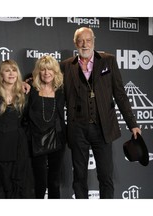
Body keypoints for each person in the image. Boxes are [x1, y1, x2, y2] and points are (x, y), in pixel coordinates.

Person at [60, 27, 141, 199]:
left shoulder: (108, 61)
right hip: (77, 129)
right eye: (81, 40)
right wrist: (28, 82)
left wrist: (132, 124)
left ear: (94, 41)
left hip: (103, 127)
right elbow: (48, 82)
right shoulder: (66, 65)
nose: (85, 44)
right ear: (75, 43)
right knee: (79, 177)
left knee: (105, 176)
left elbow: (120, 94)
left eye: (88, 40)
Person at [0, 60, 34, 198]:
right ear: (0, 74)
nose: (11, 73)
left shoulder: (24, 93)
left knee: (15, 182)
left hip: (17, 145)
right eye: (7, 70)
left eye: (14, 70)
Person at [26, 55, 67, 199]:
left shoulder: (62, 90)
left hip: (57, 137)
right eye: (43, 69)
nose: (46, 73)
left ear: (55, 71)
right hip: (36, 139)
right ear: (38, 72)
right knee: (40, 182)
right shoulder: (31, 88)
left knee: (54, 181)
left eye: (50, 69)